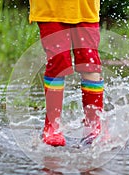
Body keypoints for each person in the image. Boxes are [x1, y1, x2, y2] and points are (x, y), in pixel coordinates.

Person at [29, 0, 104, 147]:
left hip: (85, 8)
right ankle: (52, 126)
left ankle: (94, 125)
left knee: (90, 63)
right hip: (50, 8)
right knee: (58, 62)